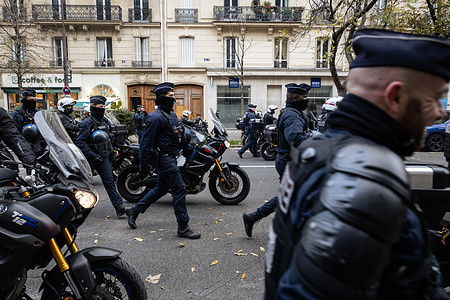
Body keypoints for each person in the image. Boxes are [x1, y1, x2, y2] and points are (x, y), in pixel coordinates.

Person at [266, 29, 450, 299]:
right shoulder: (363, 185)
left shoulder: (325, 150)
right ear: (395, 96)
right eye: (432, 98)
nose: (440, 111)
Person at [125, 82, 201, 239]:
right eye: (170, 96)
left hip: (172, 156)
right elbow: (145, 144)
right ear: (161, 98)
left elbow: (175, 135)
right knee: (179, 189)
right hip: (164, 159)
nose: (173, 99)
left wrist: (185, 145)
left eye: (173, 96)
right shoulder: (154, 117)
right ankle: (183, 227)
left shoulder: (171, 115)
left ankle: (134, 210)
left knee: (160, 188)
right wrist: (143, 168)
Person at [243, 83, 311, 237]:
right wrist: (314, 138)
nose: (306, 99)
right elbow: (295, 138)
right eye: (304, 97)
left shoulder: (291, 112)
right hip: (289, 161)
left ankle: (257, 219)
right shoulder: (293, 115)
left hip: (287, 160)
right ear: (295, 98)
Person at [75, 95, 125, 218]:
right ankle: (75, 208)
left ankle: (119, 207)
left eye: (103, 106)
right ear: (93, 107)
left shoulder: (105, 122)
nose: (102, 109)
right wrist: (92, 155)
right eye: (99, 107)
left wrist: (111, 154)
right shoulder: (87, 123)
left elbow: (108, 140)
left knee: (109, 182)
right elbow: (80, 141)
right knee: (83, 184)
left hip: (102, 157)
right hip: (90, 158)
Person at [11, 89, 46, 157]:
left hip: (41, 144)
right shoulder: (17, 113)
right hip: (27, 146)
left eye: (35, 99)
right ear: (25, 100)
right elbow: (15, 132)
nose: (34, 102)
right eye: (31, 100)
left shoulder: (37, 111)